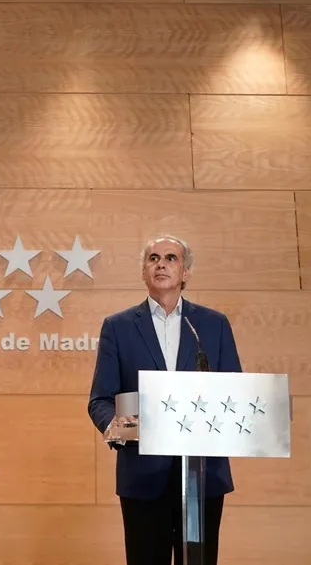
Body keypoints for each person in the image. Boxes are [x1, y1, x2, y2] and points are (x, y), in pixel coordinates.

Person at [88, 235, 242, 565]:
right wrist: (119, 426)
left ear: (185, 272)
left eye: (171, 258)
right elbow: (100, 399)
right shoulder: (118, 327)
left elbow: (234, 393)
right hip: (142, 473)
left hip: (201, 477)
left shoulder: (213, 325)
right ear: (144, 272)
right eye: (153, 258)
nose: (161, 263)